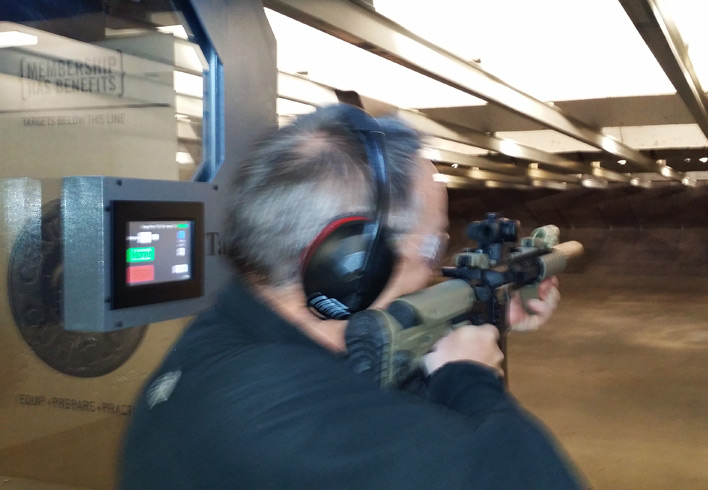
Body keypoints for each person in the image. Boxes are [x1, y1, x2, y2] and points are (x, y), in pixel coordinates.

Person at [118, 104, 584, 489]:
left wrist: (476, 320)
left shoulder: (236, 329)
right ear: (355, 262)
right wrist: (467, 375)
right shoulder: (274, 408)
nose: (429, 272)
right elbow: (530, 475)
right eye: (431, 247)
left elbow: (367, 378)